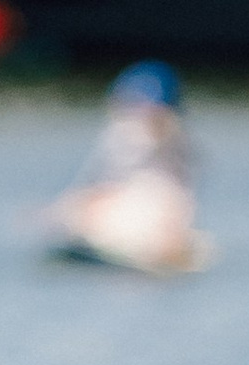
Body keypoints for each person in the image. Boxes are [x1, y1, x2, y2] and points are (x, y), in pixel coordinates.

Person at [43, 63, 206, 275]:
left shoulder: (170, 147)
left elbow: (174, 199)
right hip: (129, 230)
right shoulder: (129, 137)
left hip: (142, 230)